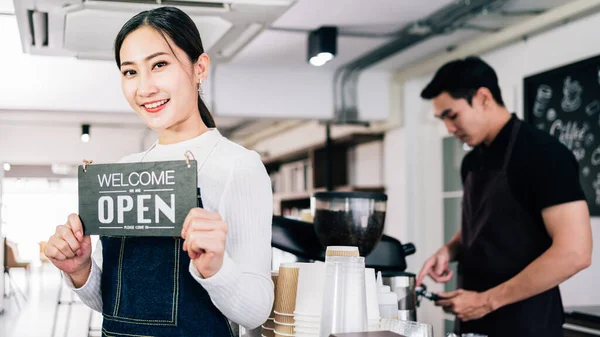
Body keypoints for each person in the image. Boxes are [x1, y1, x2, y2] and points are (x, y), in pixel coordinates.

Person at [43, 6, 274, 336]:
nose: (144, 88)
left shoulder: (238, 165)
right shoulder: (124, 171)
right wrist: (80, 269)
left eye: (160, 65)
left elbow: (257, 312)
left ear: (200, 68)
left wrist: (215, 268)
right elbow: (113, 304)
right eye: (130, 72)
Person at [416, 56, 592, 337]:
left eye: (452, 115)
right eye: (442, 119)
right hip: (475, 322)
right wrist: (449, 250)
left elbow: (575, 253)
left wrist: (486, 301)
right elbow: (489, 222)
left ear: (483, 97)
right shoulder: (472, 161)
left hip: (528, 327)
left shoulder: (544, 154)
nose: (449, 129)